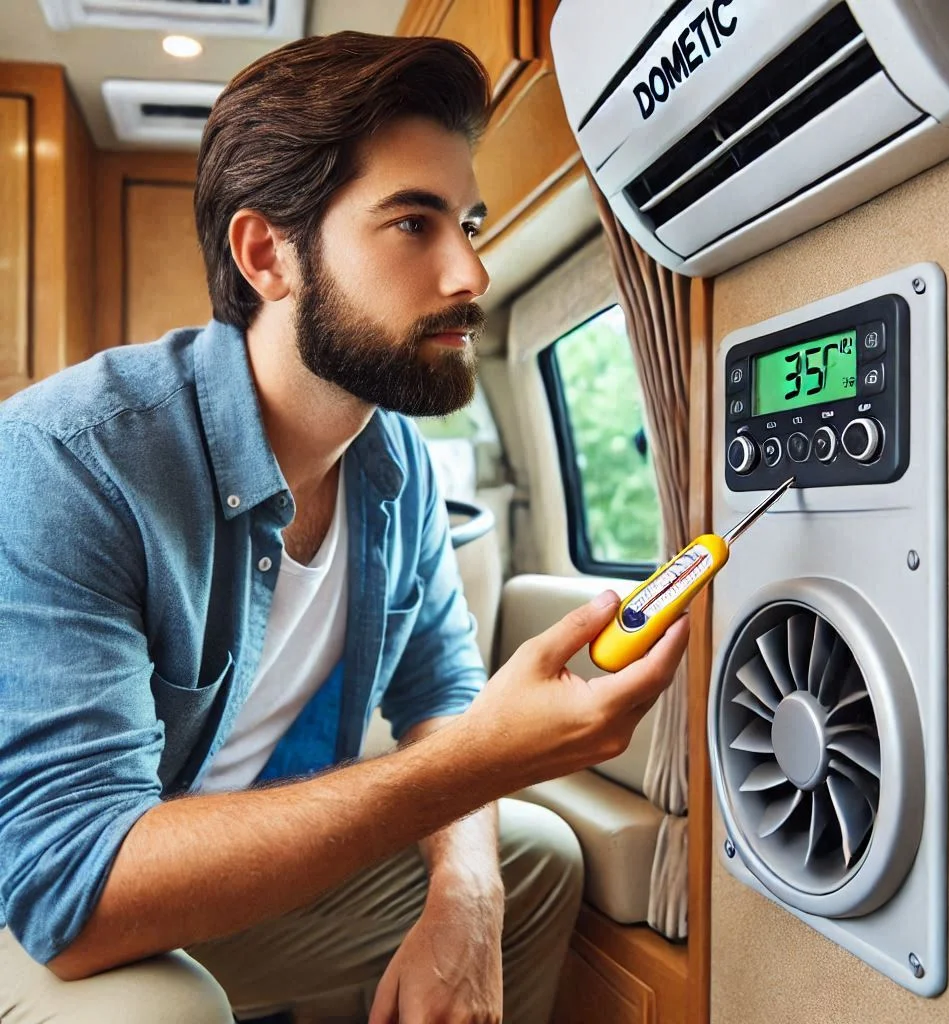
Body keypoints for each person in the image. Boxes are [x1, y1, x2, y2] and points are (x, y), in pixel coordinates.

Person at [0, 29, 690, 1024]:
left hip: (186, 892)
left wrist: (464, 893)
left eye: (471, 221)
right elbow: (70, 893)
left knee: (528, 862)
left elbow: (441, 687)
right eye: (415, 224)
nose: (472, 273)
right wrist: (478, 760)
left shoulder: (394, 465)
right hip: (36, 910)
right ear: (265, 254)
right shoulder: (65, 460)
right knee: (157, 1007)